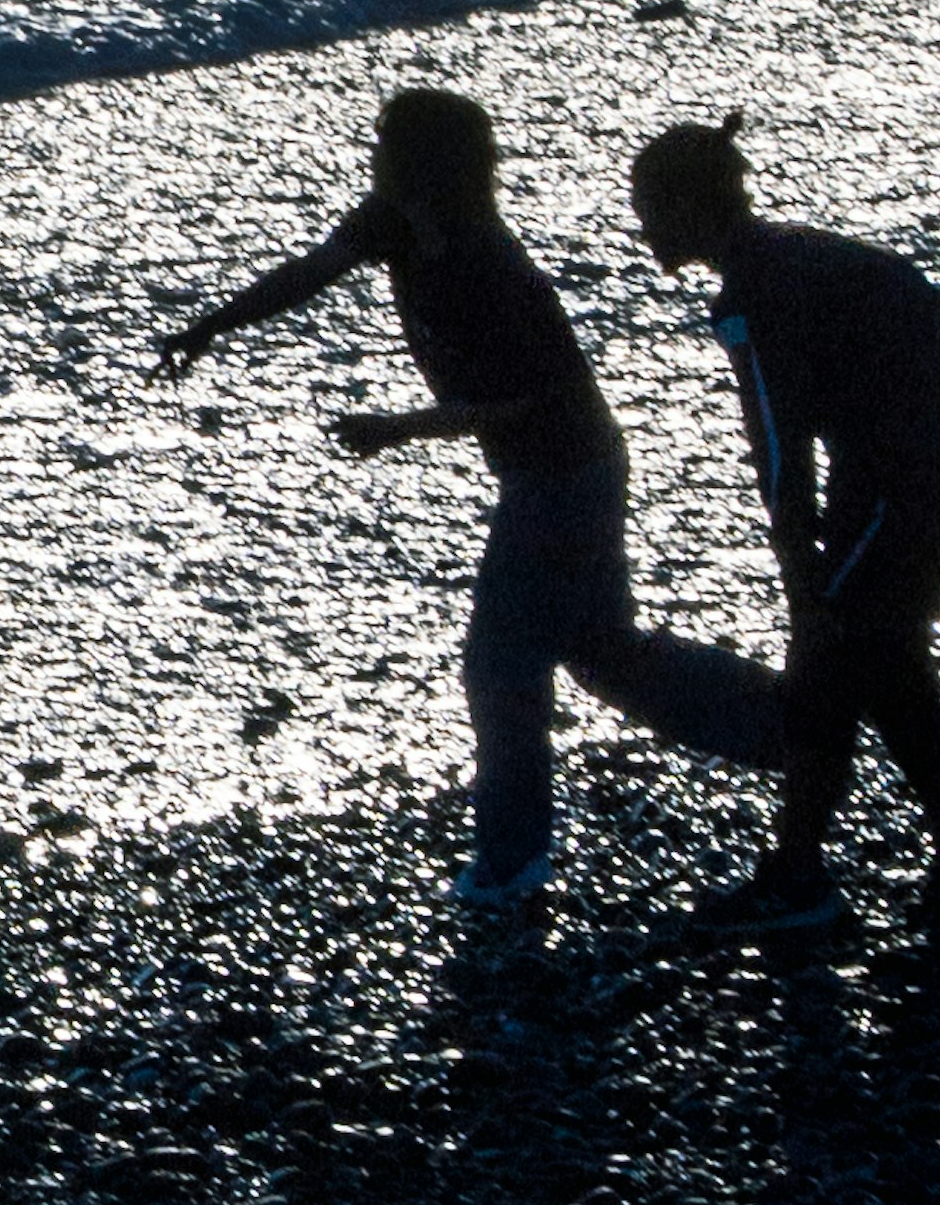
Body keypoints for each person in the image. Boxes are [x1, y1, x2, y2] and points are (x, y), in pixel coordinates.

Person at [158, 79, 785, 928]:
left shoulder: (491, 266)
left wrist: (399, 427)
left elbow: (519, 399)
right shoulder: (391, 222)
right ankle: (788, 727)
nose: (373, 159)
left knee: (502, 667)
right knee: (603, 652)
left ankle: (511, 858)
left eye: (386, 147)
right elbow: (313, 269)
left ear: (422, 166)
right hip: (553, 470)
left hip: (565, 470)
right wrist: (212, 325)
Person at [627, 115, 940, 945]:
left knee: (834, 659)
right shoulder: (792, 256)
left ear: (692, 207)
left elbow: (776, 438)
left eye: (650, 208)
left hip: (911, 482)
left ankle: (805, 876)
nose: (643, 227)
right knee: (885, 657)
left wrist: (799, 564)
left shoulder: (755, 290)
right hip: (931, 468)